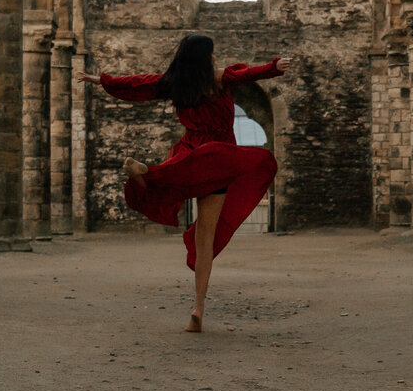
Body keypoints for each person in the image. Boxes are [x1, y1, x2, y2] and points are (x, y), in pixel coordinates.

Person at [76, 35, 291, 333]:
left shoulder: (173, 83)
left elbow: (136, 84)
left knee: (166, 182)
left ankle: (146, 171)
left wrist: (101, 80)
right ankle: (198, 307)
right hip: (216, 161)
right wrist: (275, 66)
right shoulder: (218, 79)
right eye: (212, 54)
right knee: (206, 240)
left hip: (189, 156)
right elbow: (248, 74)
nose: (215, 58)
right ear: (206, 57)